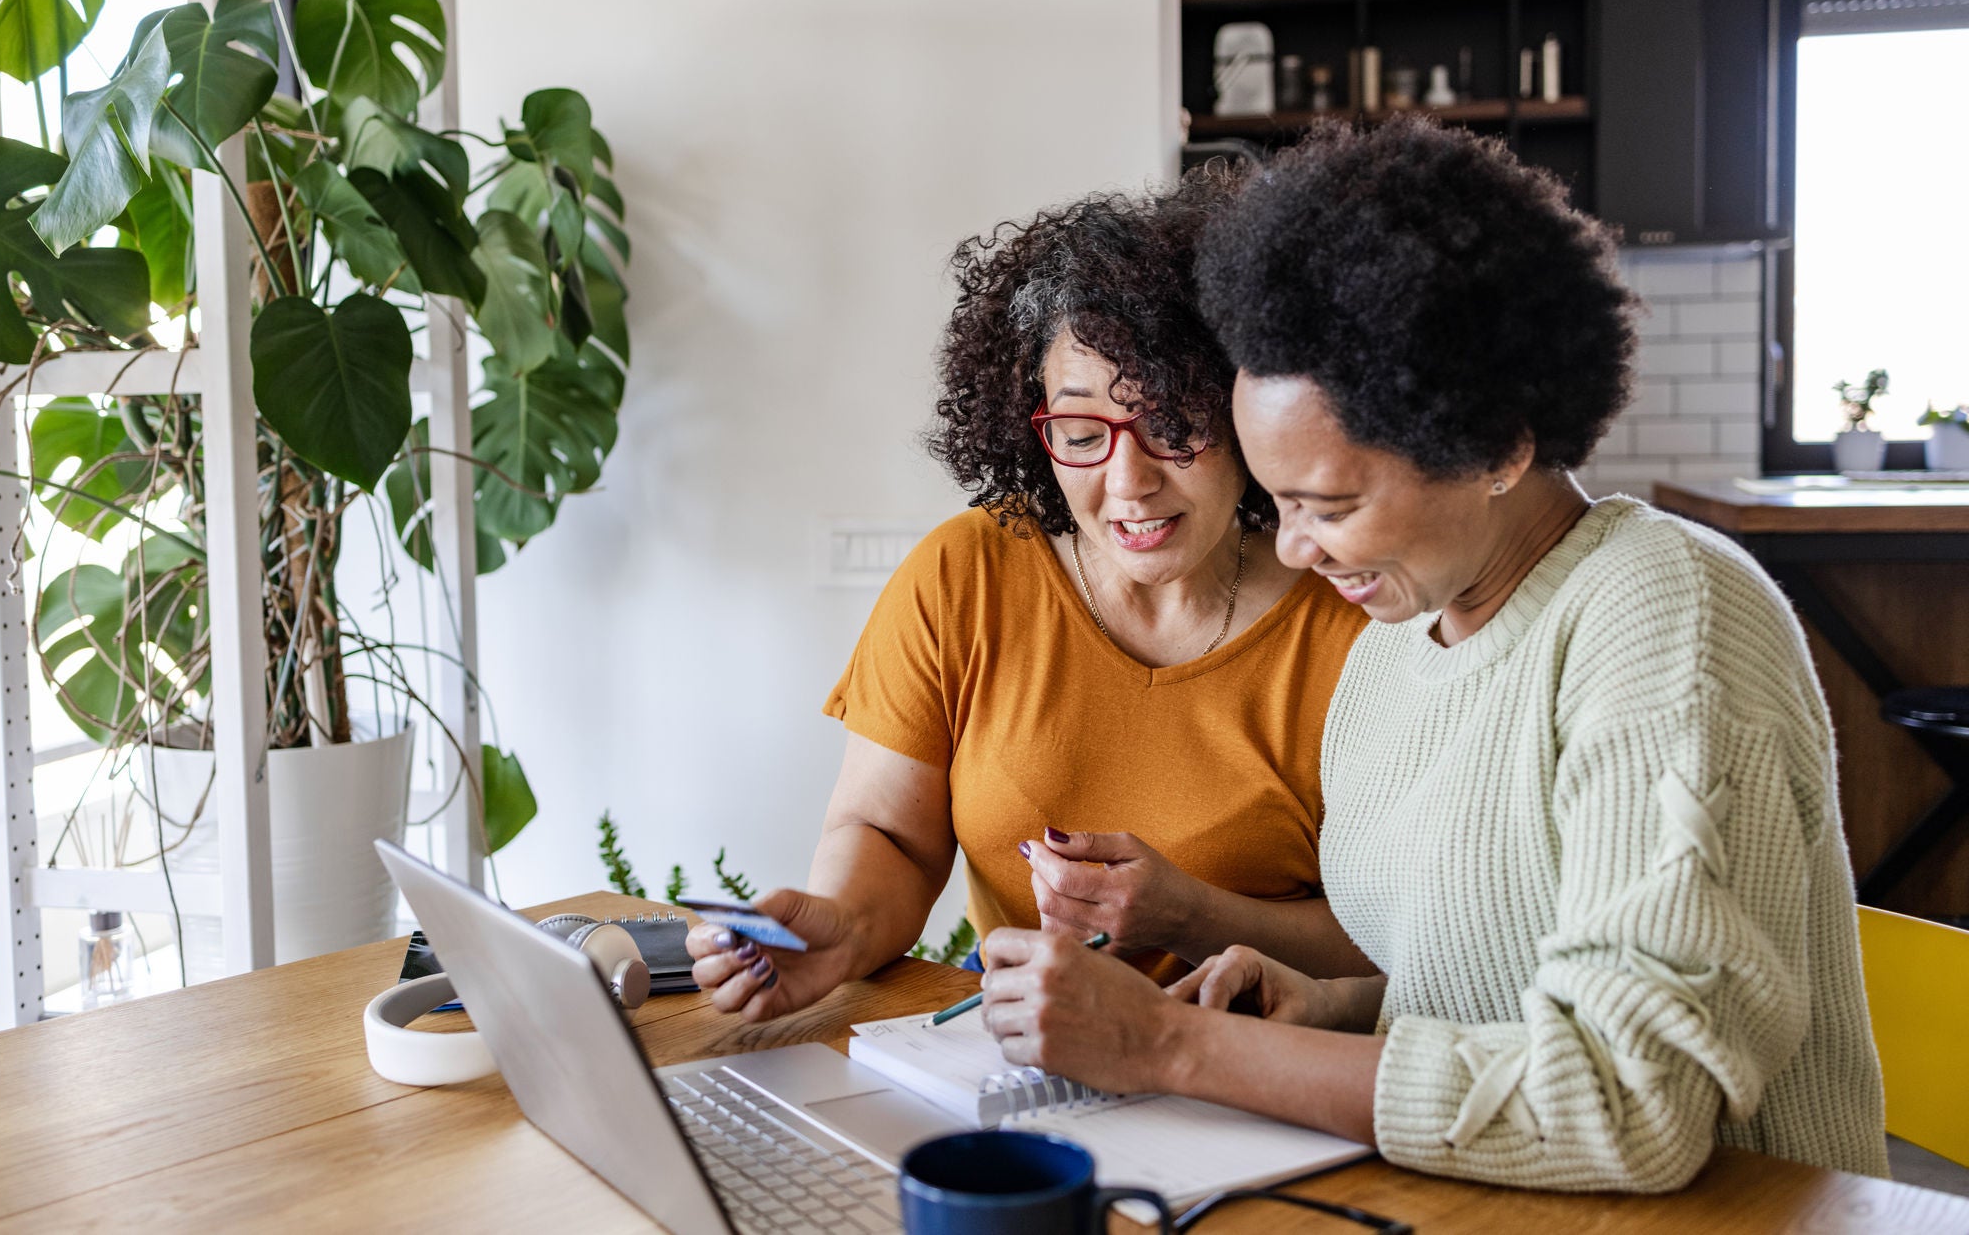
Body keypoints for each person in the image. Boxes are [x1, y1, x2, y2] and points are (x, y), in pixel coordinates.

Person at [973, 119, 1889, 1192]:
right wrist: (1328, 1010)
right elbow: (1489, 981)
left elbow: (1624, 1102)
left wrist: (1173, 1047)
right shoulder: (1394, 649)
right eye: (1277, 504)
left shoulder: (1665, 617)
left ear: (1495, 444)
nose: (1298, 549)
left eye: (1330, 504)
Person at [687, 172, 1372, 1021]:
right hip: (1019, 1064)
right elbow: (891, 836)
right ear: (1033, 424)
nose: (1129, 483)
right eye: (1082, 434)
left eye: (1174, 427)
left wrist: (1191, 916)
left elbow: (1407, 937)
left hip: (1256, 1077)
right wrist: (842, 927)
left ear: (1246, 413)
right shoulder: (965, 577)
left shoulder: (1355, 620)